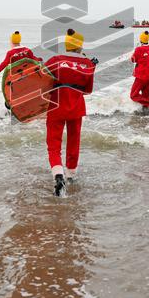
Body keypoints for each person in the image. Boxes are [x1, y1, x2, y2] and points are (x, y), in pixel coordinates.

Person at [45, 29, 96, 196]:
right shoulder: (88, 64)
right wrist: (91, 68)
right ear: (80, 46)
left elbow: (40, 82)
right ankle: (71, 175)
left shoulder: (55, 60)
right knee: (74, 141)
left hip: (56, 106)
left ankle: (58, 176)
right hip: (76, 108)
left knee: (54, 144)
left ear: (66, 45)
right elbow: (88, 90)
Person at [129, 31, 149, 108]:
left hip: (141, 77)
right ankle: (146, 111)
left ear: (141, 40)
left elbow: (133, 60)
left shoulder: (138, 49)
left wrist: (132, 55)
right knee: (145, 94)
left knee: (133, 95)